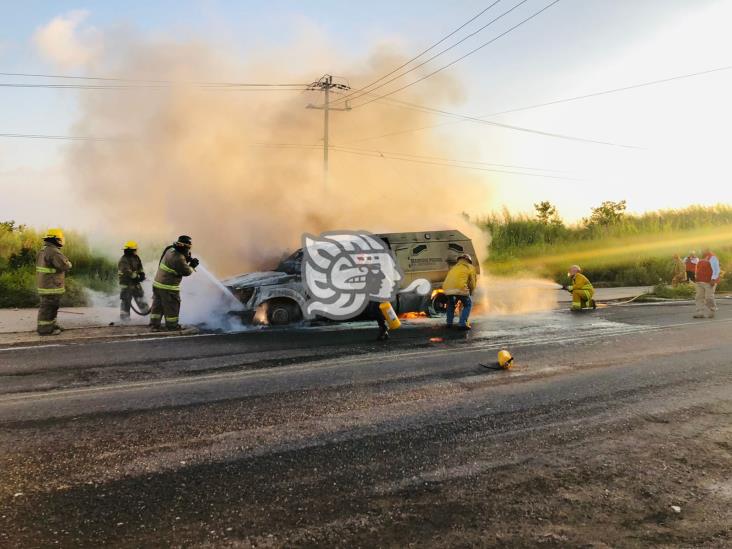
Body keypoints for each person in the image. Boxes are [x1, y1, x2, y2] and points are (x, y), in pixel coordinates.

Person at [150, 235, 198, 331]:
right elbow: (187, 272)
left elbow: (177, 260)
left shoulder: (170, 249)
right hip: (168, 287)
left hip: (157, 284)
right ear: (184, 247)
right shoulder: (178, 258)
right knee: (172, 307)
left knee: (157, 306)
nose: (189, 250)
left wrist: (187, 258)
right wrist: (192, 265)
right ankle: (173, 327)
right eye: (188, 248)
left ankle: (154, 325)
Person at [35, 228, 72, 335]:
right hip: (51, 286)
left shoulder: (43, 250)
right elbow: (64, 265)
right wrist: (69, 263)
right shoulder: (53, 251)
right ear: (56, 239)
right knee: (48, 308)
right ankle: (45, 330)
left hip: (46, 284)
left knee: (51, 306)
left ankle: (51, 325)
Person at [442, 253, 477, 330]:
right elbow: (472, 282)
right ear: (468, 260)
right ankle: (462, 324)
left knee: (451, 304)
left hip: (447, 288)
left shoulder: (454, 268)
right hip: (460, 288)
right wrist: (471, 291)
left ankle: (449, 323)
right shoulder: (470, 267)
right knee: (468, 304)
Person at [118, 240, 149, 322]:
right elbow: (127, 272)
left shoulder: (136, 257)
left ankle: (147, 315)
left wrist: (142, 274)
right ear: (130, 250)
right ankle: (124, 319)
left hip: (135, 283)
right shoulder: (123, 260)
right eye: (134, 249)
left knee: (141, 298)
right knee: (126, 301)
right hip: (126, 284)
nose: (136, 251)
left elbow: (140, 267)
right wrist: (137, 277)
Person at [693, 248, 720, 319]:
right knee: (699, 297)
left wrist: (713, 279)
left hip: (709, 281)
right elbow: (698, 268)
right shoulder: (700, 258)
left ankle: (712, 310)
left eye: (703, 249)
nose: (701, 251)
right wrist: (696, 276)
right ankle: (700, 312)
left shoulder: (713, 257)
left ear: (707, 250)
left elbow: (716, 270)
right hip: (699, 281)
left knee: (709, 297)